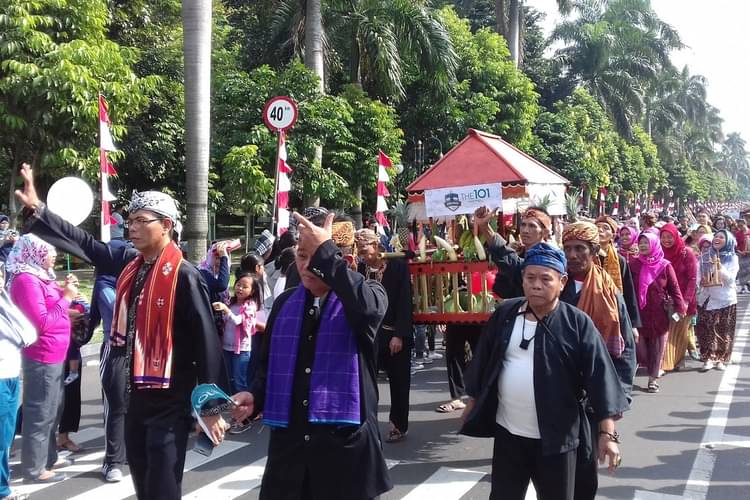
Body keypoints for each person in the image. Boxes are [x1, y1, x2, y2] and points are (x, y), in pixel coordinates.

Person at [15, 164, 228, 499]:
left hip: (170, 403)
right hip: (136, 398)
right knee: (143, 484)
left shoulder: (184, 276)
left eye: (142, 221)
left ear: (167, 226)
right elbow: (85, 243)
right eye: (130, 221)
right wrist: (39, 210)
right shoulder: (131, 264)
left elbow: (207, 343)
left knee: (162, 488)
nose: (132, 227)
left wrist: (212, 408)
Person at [231, 211, 392, 500]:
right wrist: (255, 397)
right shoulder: (284, 304)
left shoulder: (369, 294)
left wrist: (326, 252)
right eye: (302, 256)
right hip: (289, 457)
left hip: (344, 457)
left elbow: (368, 310)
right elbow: (269, 370)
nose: (307, 266)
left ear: (341, 260)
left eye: (318, 257)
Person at [460, 243, 627, 500]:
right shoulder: (506, 313)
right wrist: (473, 400)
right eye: (530, 277)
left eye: (545, 279)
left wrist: (607, 434)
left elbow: (600, 378)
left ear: (561, 282)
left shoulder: (577, 323)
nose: (536, 285)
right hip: (510, 433)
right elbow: (483, 361)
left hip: (558, 439)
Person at [560, 222, 635, 500]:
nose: (573, 255)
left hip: (591, 397)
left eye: (580, 249)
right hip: (556, 390)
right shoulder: (555, 287)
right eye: (567, 248)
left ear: (594, 252)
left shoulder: (611, 294)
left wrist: (617, 398)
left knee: (584, 464)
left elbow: (624, 351)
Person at [6, 234, 74, 484]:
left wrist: (66, 297)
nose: (54, 255)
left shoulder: (41, 277)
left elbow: (54, 307)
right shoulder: (26, 280)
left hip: (56, 353)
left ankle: (47, 458)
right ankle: (34, 469)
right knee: (41, 411)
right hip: (42, 354)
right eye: (49, 250)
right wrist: (66, 297)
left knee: (53, 409)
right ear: (34, 252)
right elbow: (41, 322)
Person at [356, 228, 413, 443]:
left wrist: (399, 335)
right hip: (369, 334)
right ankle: (366, 423)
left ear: (377, 245)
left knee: (399, 382)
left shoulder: (397, 266)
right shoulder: (360, 268)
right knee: (366, 381)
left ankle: (398, 424)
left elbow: (404, 301)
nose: (363, 251)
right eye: (359, 247)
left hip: (392, 333)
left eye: (366, 246)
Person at [88, 242, 127, 483]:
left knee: (134, 405)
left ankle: (128, 453)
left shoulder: (133, 279)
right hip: (114, 351)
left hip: (139, 351)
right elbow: (118, 312)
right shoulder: (105, 284)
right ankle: (112, 461)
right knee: (116, 406)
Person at [630, 233, 685, 393]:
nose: (643, 245)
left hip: (659, 313)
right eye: (641, 242)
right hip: (638, 313)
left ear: (654, 244)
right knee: (641, 348)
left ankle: (653, 379)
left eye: (647, 242)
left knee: (658, 346)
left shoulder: (665, 265)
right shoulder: (633, 264)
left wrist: (680, 308)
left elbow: (674, 288)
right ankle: (648, 367)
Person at [213, 270, 266, 434]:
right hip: (227, 348)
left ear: (253, 291)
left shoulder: (249, 306)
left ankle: (244, 417)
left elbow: (237, 322)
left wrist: (225, 310)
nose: (240, 288)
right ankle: (235, 414)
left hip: (241, 349)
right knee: (230, 380)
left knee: (240, 383)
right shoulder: (231, 303)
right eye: (238, 284)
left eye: (245, 286)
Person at [0, 273, 37, 500]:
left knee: (5, 437)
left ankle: (3, 487)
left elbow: (26, 332)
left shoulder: (4, 300)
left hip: (12, 374)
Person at [476, 206, 552, 299]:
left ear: (544, 232)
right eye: (523, 225)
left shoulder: (548, 256)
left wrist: (485, 228)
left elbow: (517, 265)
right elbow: (501, 290)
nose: (525, 230)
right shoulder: (522, 253)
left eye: (532, 226)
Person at [696, 230, 739, 372]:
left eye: (722, 237)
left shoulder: (733, 258)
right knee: (706, 329)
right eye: (716, 236)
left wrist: (719, 266)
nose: (717, 239)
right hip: (707, 298)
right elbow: (698, 275)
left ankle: (721, 358)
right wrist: (699, 282)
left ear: (728, 241)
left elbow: (731, 279)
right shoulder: (704, 257)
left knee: (724, 329)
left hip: (726, 299)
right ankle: (708, 358)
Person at [659, 224, 699, 372]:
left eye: (669, 237)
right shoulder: (659, 253)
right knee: (669, 332)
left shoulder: (686, 253)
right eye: (663, 237)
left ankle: (678, 360)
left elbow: (692, 279)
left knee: (680, 332)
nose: (666, 240)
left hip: (685, 300)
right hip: (667, 300)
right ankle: (666, 361)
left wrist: (686, 301)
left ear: (676, 236)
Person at [595, 216, 642, 340]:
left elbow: (628, 291)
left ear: (613, 234)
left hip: (613, 312)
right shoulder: (585, 256)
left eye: (605, 228)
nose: (600, 231)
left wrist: (633, 324)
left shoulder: (619, 260)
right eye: (597, 227)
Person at [197, 241, 231, 335]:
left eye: (223, 258)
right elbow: (221, 285)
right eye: (217, 258)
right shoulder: (203, 272)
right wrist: (224, 257)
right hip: (206, 322)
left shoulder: (222, 274)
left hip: (218, 322)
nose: (220, 262)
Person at [734, 218, 750, 294]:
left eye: (742, 225)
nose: (741, 227)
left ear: (745, 223)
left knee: (748, 270)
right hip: (741, 254)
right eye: (739, 225)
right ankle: (743, 287)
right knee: (742, 271)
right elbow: (736, 245)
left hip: (749, 254)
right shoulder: (738, 233)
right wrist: (739, 251)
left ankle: (748, 284)